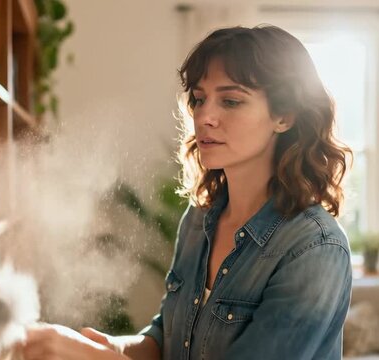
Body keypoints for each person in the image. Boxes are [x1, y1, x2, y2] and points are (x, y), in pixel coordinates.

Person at [22, 24, 353, 360]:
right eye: (198, 98)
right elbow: (165, 337)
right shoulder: (199, 221)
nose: (204, 116)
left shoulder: (314, 248)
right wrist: (109, 346)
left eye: (231, 101)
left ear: (284, 116)